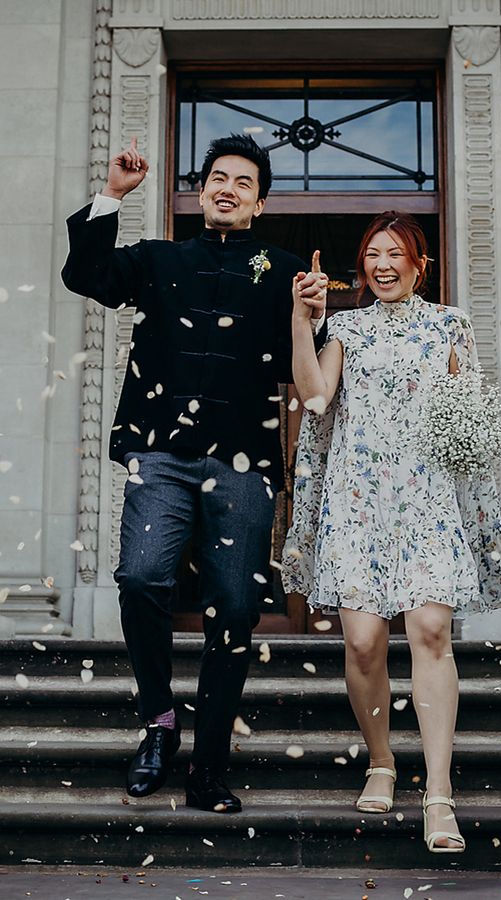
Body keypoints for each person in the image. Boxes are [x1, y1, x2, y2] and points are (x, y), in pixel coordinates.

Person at [62, 134, 328, 813]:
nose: (228, 188)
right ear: (200, 190)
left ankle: (209, 765)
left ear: (259, 204)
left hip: (244, 464)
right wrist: (112, 195)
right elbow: (87, 275)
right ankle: (159, 722)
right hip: (161, 455)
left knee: (236, 609)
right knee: (140, 577)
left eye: (243, 182)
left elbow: (307, 374)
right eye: (218, 178)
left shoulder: (284, 270)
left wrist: (310, 315)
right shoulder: (158, 259)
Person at [282, 212, 501, 852]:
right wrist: (302, 322)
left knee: (430, 632)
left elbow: (466, 415)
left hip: (427, 499)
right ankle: (381, 761)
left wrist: (472, 460)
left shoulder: (451, 326)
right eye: (373, 254)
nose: (383, 264)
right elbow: (314, 399)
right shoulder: (345, 328)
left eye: (396, 253)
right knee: (364, 644)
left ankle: (439, 794)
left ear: (419, 265)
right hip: (358, 501)